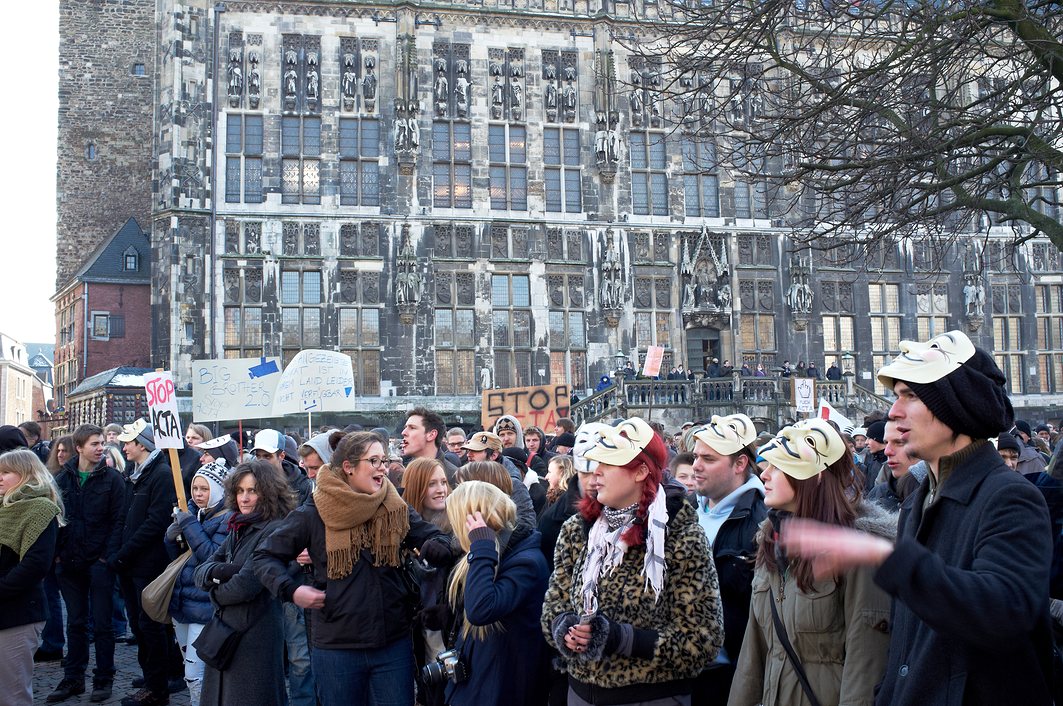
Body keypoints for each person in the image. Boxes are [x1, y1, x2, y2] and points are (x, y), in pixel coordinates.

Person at [781, 330, 1055, 704]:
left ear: (956, 406)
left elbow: (1004, 612)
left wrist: (885, 557)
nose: (894, 411)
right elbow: (904, 647)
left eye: (911, 395)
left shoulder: (1011, 497)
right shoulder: (917, 502)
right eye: (896, 397)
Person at [253, 431, 458, 706]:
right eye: (373, 461)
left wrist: (437, 546)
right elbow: (264, 557)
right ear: (348, 468)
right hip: (337, 648)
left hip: (392, 643)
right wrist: (291, 590)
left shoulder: (394, 506)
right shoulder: (314, 512)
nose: (383, 467)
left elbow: (436, 537)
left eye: (383, 460)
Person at [542, 417, 724, 705]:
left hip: (651, 698)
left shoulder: (680, 535)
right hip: (579, 693)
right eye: (594, 462)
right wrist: (564, 628)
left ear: (640, 471)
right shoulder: (577, 529)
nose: (596, 471)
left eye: (608, 463)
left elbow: (702, 640)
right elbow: (554, 602)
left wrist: (620, 638)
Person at [728, 419, 893, 706]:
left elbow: (865, 660)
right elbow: (752, 655)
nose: (764, 474)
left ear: (814, 476)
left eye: (777, 467)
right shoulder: (770, 542)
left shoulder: (857, 549)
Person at [193, 460, 294, 705]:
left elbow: (245, 585)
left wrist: (214, 592)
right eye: (240, 491)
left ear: (268, 492)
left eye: (252, 491)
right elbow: (201, 571)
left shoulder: (275, 529)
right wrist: (223, 571)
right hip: (227, 631)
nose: (244, 498)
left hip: (255, 635)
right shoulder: (239, 525)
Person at [442, 481, 549, 706]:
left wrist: (481, 547)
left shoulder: (525, 562)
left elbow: (481, 609)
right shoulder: (503, 554)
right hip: (483, 683)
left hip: (501, 690)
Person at [689, 414, 767, 705]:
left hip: (730, 676)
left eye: (708, 459)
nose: (696, 465)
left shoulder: (762, 522)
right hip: (679, 672)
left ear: (739, 464)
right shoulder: (684, 512)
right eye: (696, 456)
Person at [49, 424, 126, 704]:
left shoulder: (113, 479)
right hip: (69, 563)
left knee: (103, 625)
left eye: (102, 443)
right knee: (76, 623)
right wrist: (57, 555)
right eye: (94, 443)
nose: (100, 447)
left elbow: (119, 521)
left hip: (100, 563)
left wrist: (107, 558)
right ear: (79, 447)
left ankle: (103, 678)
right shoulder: (62, 479)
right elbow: (55, 518)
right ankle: (73, 678)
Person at [114, 420, 179, 706]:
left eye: (128, 442)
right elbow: (126, 516)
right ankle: (153, 676)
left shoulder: (161, 474)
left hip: (147, 563)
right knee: (139, 625)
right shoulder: (135, 473)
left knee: (150, 624)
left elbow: (155, 522)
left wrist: (125, 551)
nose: (123, 446)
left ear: (142, 444)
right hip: (130, 562)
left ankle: (157, 688)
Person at [249, 429, 314, 705]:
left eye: (268, 455)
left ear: (281, 455)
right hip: (259, 580)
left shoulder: (303, 488)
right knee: (266, 652)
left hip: (292, 581)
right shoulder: (249, 484)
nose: (262, 461)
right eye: (258, 455)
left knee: (299, 656)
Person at [163, 461, 233, 705]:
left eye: (204, 489)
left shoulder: (227, 518)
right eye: (195, 488)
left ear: (217, 489)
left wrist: (188, 524)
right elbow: (181, 558)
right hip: (184, 602)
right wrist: (171, 538)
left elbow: (211, 555)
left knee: (195, 675)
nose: (198, 494)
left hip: (204, 608)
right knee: (189, 670)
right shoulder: (194, 512)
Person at [0, 449, 64, 705]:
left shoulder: (41, 509)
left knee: (12, 694)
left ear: (26, 475)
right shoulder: (2, 506)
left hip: (17, 613)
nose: (0, 478)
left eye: (5, 472)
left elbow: (36, 565)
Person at [403, 407, 460, 486]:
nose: (403, 433)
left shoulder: (454, 477)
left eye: (412, 428)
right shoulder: (402, 472)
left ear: (431, 435)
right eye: (405, 428)